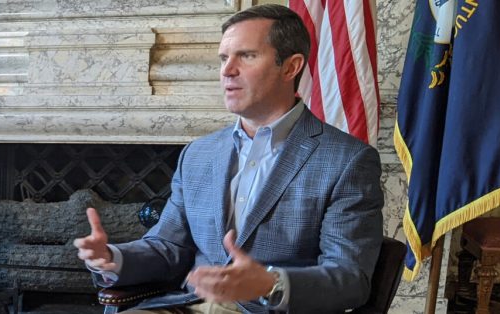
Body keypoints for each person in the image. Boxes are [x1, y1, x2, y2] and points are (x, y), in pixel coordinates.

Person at [74, 4, 384, 313]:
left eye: (246, 56)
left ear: (290, 67)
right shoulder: (197, 154)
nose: (227, 70)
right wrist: (113, 257)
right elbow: (169, 246)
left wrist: (268, 283)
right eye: (224, 58)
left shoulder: (347, 161)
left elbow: (349, 278)